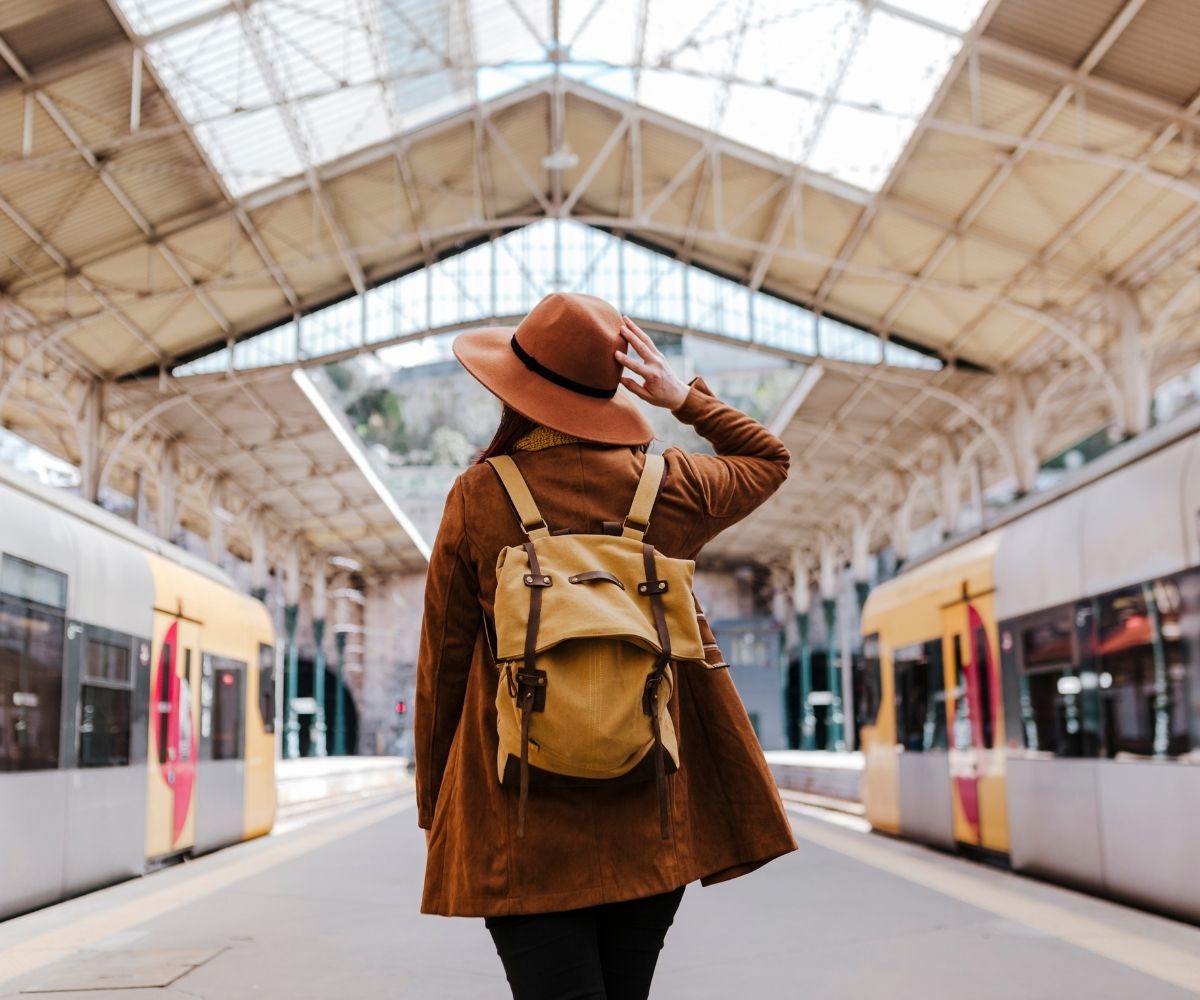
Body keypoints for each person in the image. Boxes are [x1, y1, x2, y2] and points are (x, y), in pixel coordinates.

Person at [415, 292, 797, 1000]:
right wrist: (684, 399)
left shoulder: (479, 495)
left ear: (515, 391)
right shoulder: (670, 485)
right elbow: (767, 460)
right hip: (649, 818)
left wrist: (434, 806)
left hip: (516, 819)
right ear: (609, 389)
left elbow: (443, 660)